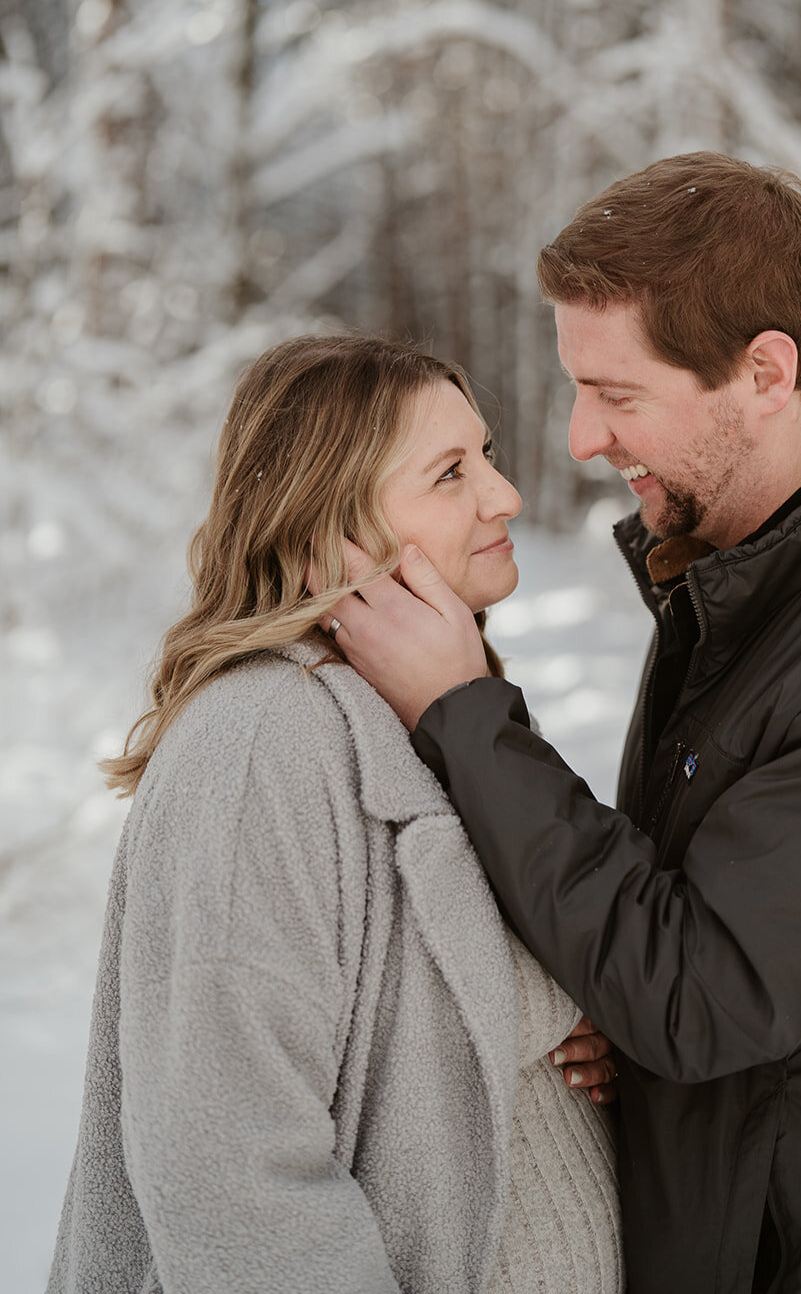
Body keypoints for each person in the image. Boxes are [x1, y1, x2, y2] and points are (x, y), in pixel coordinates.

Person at [320, 153, 801, 1294]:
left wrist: (462, 711)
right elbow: (735, 941)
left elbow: (701, 994)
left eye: (616, 395)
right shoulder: (747, 585)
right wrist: (599, 1008)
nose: (578, 438)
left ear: (765, 372)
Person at [48, 334, 621, 1294]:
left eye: (484, 455)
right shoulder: (264, 741)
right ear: (323, 535)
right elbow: (230, 1176)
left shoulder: (427, 716)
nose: (504, 495)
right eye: (449, 473)